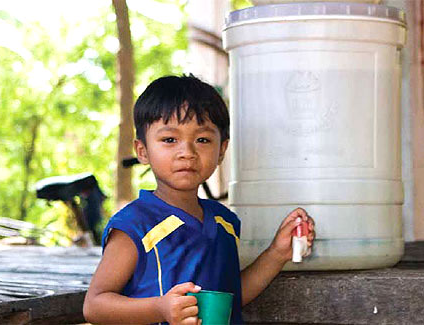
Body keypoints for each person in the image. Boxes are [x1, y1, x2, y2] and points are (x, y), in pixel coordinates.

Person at [83, 75, 315, 324]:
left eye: (202, 140)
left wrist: (276, 254)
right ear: (142, 151)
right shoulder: (135, 225)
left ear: (222, 150)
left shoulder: (224, 222)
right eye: (170, 140)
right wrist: (160, 308)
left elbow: (232, 298)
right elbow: (95, 306)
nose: (187, 153)